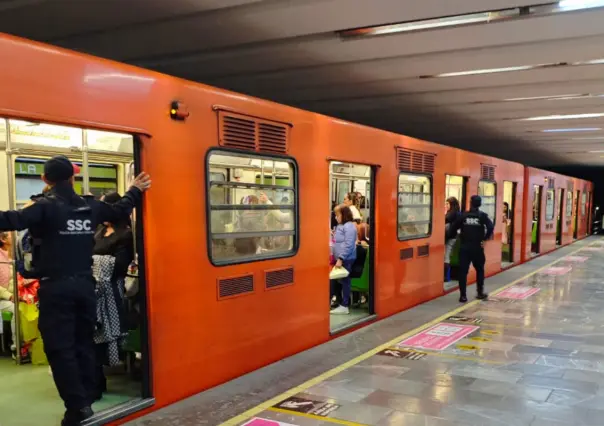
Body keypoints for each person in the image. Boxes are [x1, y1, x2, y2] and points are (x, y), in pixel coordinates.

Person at [0, 155, 151, 426]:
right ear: (73, 177)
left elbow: (10, 219)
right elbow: (119, 210)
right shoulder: (90, 206)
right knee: (83, 343)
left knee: (60, 348)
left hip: (56, 288)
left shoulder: (42, 207)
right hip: (85, 287)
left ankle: (77, 407)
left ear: (45, 179)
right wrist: (135, 190)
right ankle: (88, 396)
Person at [92, 192, 135, 401]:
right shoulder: (100, 230)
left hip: (110, 290)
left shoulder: (125, 234)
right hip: (92, 288)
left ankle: (99, 381)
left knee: (103, 334)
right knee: (91, 334)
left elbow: (119, 265)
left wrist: (92, 262)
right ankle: (93, 377)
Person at [447, 195, 494, 303]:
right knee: (480, 270)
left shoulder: (464, 216)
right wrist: (484, 238)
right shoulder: (482, 216)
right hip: (477, 247)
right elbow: (491, 227)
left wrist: (451, 235)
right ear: (480, 204)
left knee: (463, 272)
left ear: (470, 202)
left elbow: (453, 228)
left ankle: (463, 296)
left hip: (465, 247)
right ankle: (480, 292)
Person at [330, 205, 357, 315]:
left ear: (343, 214)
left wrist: (341, 258)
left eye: (337, 215)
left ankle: (344, 305)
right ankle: (340, 302)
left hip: (346, 259)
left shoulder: (349, 226)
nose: (336, 217)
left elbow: (349, 244)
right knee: (339, 281)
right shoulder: (341, 226)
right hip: (340, 258)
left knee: (345, 281)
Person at [0, 232, 16, 352]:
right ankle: (17, 347)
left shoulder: (16, 254)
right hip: (4, 299)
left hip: (19, 294)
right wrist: (10, 295)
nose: (16, 237)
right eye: (11, 235)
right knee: (17, 310)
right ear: (3, 239)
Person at [444, 197, 461, 282]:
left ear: (452, 204)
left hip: (450, 237)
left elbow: (444, 221)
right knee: (446, 255)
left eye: (447, 204)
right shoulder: (457, 213)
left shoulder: (452, 214)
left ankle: (446, 277)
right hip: (452, 237)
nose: (446, 205)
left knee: (446, 256)